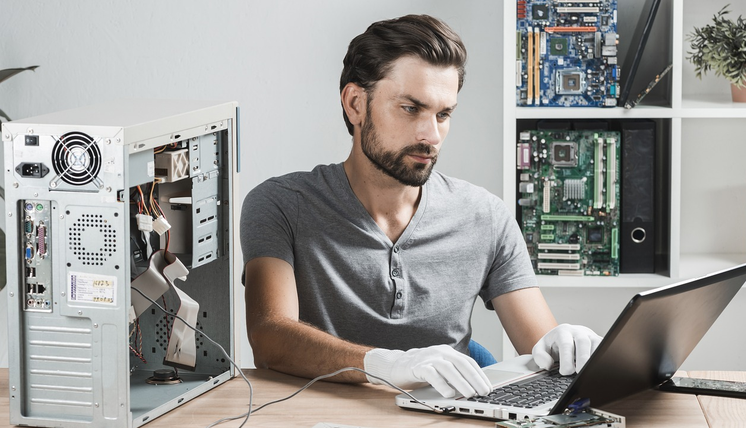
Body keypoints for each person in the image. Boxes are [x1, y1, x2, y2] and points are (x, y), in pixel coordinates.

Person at [241, 14, 601, 399]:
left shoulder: (485, 216)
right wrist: (386, 364)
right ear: (355, 104)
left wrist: (562, 343)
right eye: (411, 109)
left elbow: (538, 348)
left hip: (450, 418)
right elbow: (270, 337)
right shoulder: (281, 205)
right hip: (324, 417)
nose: (431, 136)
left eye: (443, 114)